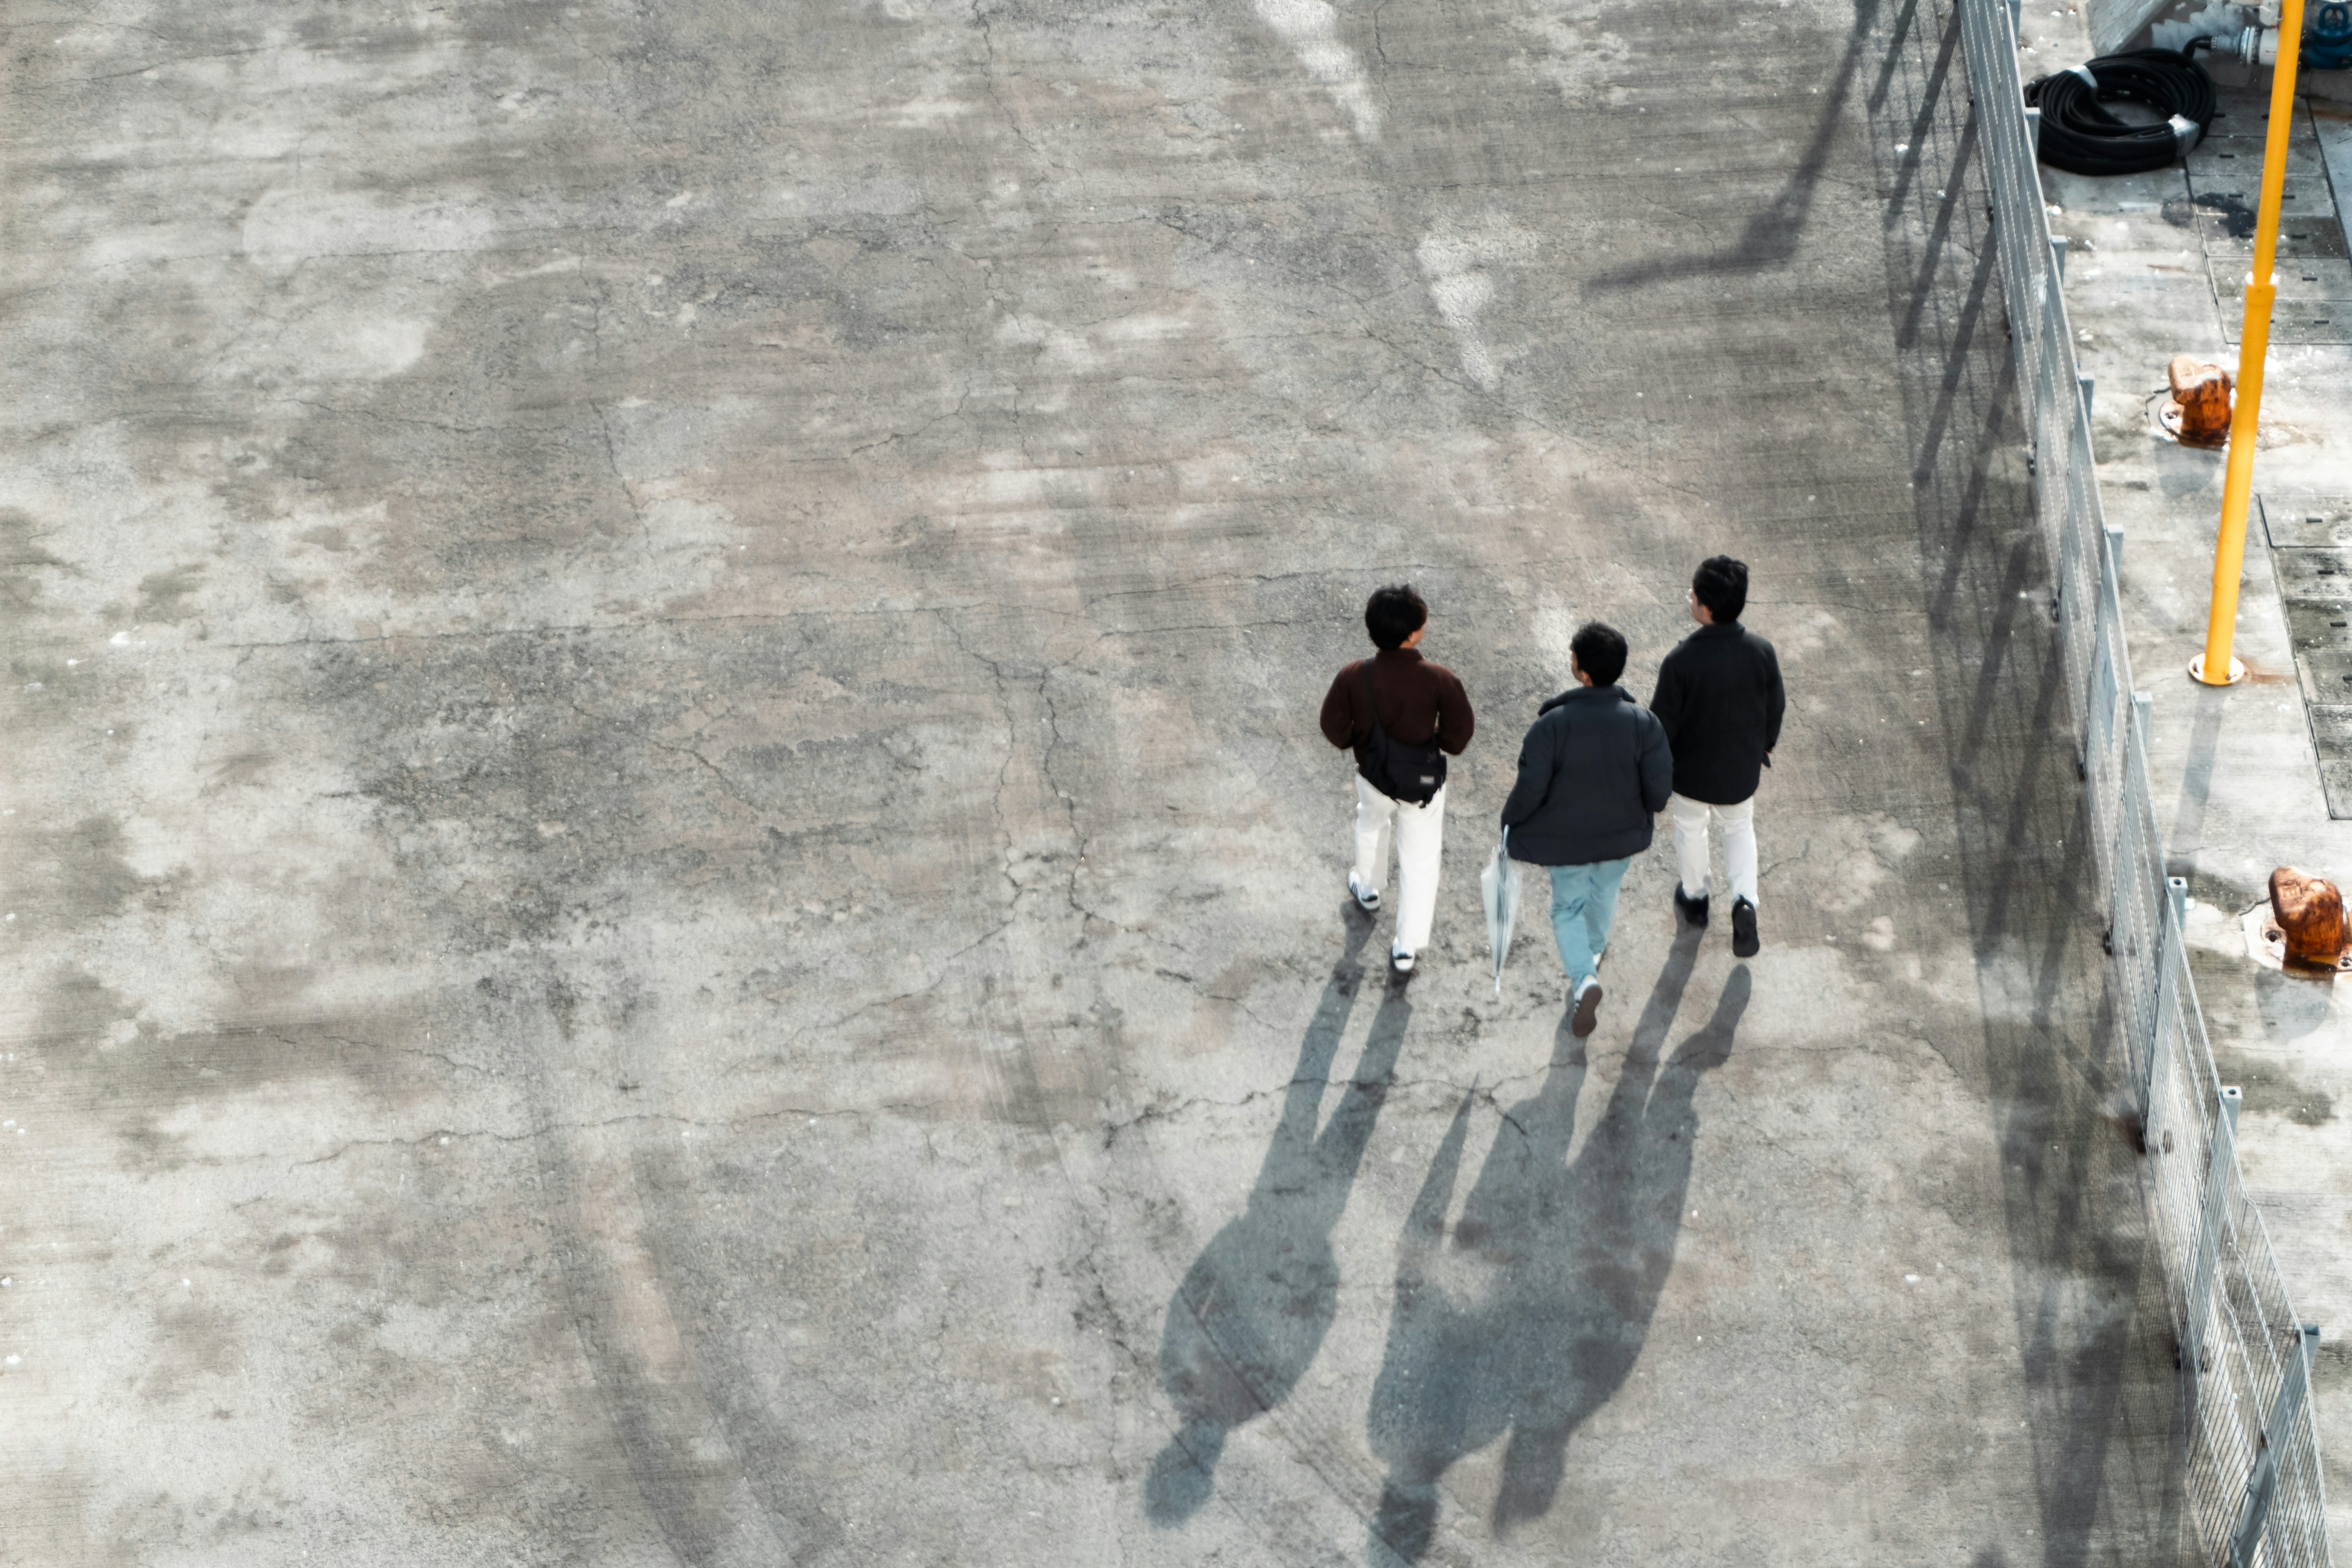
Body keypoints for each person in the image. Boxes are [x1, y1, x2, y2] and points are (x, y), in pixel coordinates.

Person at [1499, 622, 1671, 1037]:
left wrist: (1510, 821)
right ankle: (1594, 951)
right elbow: (1660, 790)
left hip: (1566, 842)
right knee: (1604, 892)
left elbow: (1530, 788)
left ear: (1582, 672)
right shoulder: (1644, 723)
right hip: (1621, 837)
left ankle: (1584, 979)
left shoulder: (1552, 725)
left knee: (1566, 908)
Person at [1319, 585, 1475, 976]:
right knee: (1420, 860)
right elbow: (1459, 736)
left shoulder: (1355, 675)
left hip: (1374, 775)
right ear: (1412, 635)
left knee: (1370, 822)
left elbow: (1333, 727)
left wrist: (1361, 745)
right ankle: (1406, 947)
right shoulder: (1440, 679)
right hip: (1422, 784)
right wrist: (1436, 743)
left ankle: (1368, 888)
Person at [1650, 556, 1785, 959]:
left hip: (1690, 774)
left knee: (1692, 830)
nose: (1690, 598)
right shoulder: (1762, 652)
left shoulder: (1680, 661)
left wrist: (1656, 765)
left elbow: (1661, 724)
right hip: (1739, 773)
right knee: (1739, 829)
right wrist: (1764, 746)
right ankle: (1745, 902)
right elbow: (1775, 707)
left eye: (1692, 594)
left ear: (1704, 608)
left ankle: (1695, 900)